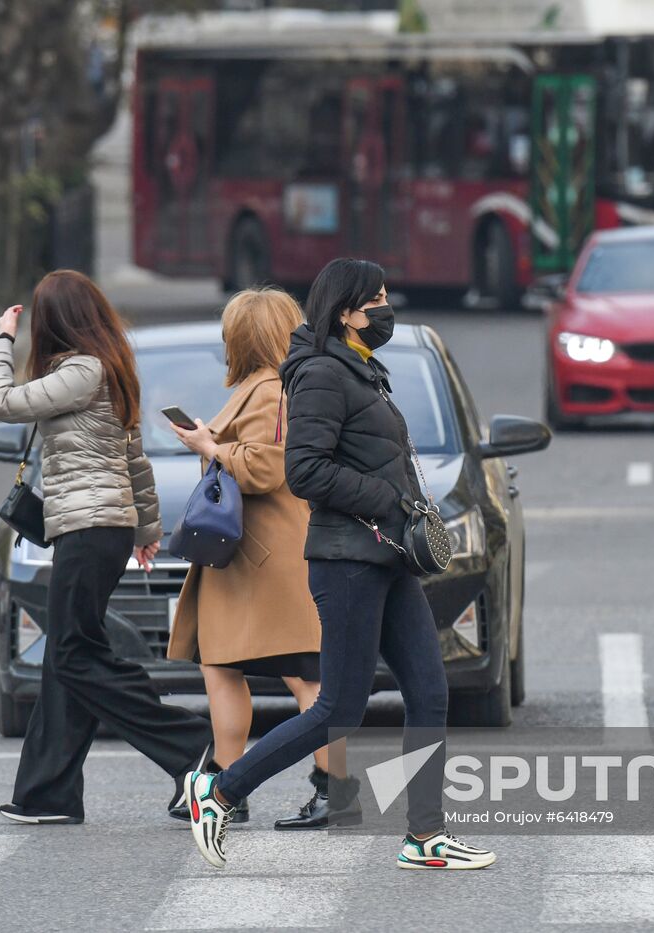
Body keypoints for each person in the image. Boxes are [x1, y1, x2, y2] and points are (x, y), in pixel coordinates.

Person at [183, 258, 495, 871]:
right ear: (346, 310)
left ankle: (425, 836)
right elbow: (304, 471)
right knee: (339, 707)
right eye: (374, 298)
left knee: (430, 693)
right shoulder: (322, 374)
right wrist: (389, 499)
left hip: (386, 556)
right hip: (347, 560)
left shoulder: (361, 370)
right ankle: (217, 792)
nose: (386, 307)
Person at [0, 269, 214, 825]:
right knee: (68, 657)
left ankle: (192, 747)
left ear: (56, 321)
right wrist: (145, 530)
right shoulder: (109, 369)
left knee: (74, 655)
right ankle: (47, 794)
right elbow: (134, 458)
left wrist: (0, 341)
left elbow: (1, 402)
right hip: (98, 530)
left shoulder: (82, 370)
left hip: (88, 531)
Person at [165, 287, 359, 830]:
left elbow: (269, 468)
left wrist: (210, 447)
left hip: (269, 560)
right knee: (226, 667)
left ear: (242, 338)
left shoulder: (275, 389)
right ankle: (231, 788)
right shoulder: (269, 386)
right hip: (256, 559)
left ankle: (330, 789)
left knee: (306, 677)